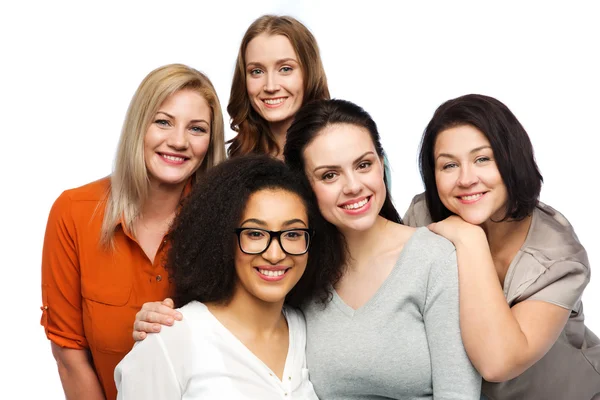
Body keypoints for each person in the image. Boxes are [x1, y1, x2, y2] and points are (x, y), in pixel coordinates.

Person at [135, 99, 482, 399]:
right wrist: (160, 324)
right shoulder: (296, 265)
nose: (353, 186)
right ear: (304, 187)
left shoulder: (433, 257)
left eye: (364, 165)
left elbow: (460, 392)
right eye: (329, 175)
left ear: (382, 163)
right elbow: (231, 320)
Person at [40, 63, 226, 400]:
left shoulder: (226, 223)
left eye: (197, 129)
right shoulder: (73, 212)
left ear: (210, 141)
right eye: (163, 121)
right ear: (138, 126)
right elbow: (69, 356)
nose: (179, 141)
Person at [404, 94, 600, 399]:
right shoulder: (422, 217)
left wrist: (469, 241)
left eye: (483, 159)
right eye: (449, 165)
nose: (466, 179)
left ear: (511, 159)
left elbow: (498, 363)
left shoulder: (558, 256)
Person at [116, 155, 343, 399]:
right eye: (255, 234)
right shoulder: (170, 341)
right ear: (223, 240)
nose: (275, 254)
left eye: (293, 234)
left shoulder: (304, 329)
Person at [227, 14, 329, 159]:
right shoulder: (236, 160)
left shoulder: (338, 146)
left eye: (285, 69)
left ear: (309, 73)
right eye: (257, 71)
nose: (270, 86)